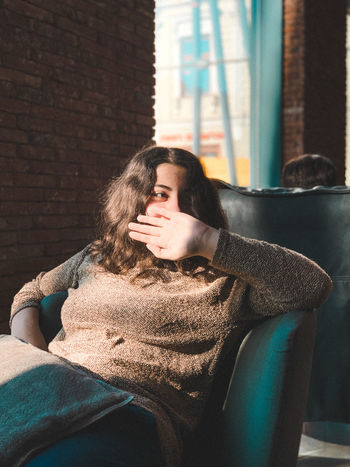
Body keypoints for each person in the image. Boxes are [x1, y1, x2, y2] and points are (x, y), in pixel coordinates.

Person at [10, 146, 332, 467]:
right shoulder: (99, 257)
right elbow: (32, 291)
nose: (177, 208)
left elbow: (314, 285)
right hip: (49, 395)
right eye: (160, 195)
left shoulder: (221, 282)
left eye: (188, 195)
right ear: (135, 200)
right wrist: (34, 355)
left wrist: (208, 241)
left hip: (128, 414)